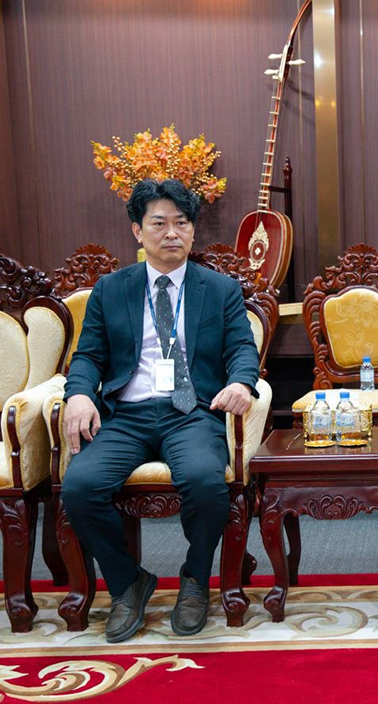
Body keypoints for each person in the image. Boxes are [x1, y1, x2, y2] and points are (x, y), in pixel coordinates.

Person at [61, 178, 260, 642]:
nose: (172, 232)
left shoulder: (220, 289)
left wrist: (240, 382)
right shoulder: (111, 289)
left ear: (193, 230)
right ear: (137, 230)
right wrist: (79, 394)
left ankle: (195, 579)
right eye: (159, 223)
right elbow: (88, 355)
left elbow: (242, 348)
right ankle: (127, 582)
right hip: (126, 414)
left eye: (182, 223)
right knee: (80, 487)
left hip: (191, 412)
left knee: (206, 482)